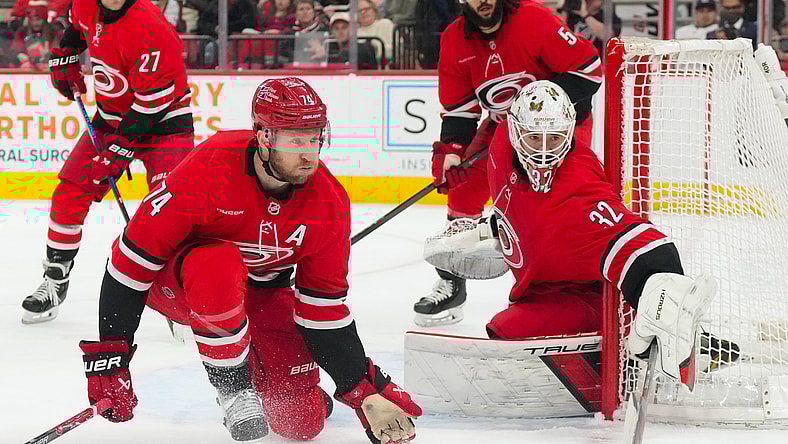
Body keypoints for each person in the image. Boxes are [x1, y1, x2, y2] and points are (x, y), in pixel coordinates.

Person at [78, 77, 423, 443]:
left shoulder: (330, 204)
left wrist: (363, 392)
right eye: (295, 139)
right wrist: (112, 359)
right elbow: (127, 267)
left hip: (259, 292)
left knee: (301, 423)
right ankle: (234, 390)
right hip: (178, 285)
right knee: (217, 264)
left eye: (315, 136)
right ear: (264, 137)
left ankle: (272, 380)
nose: (309, 153)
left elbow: (323, 312)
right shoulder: (209, 167)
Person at [425, 80, 718, 389]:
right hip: (544, 290)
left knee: (508, 331)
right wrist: (457, 161)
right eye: (533, 138)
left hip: (590, 298)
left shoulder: (578, 188)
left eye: (553, 139)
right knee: (505, 329)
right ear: (513, 130)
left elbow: (642, 243)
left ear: (568, 133)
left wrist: (662, 286)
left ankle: (634, 351)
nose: (542, 150)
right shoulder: (500, 143)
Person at [414, 0, 603, 327]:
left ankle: (561, 290)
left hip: (556, 129)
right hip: (504, 126)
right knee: (464, 187)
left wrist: (537, 109)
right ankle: (452, 282)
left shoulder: (533, 19)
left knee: (552, 202)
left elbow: (588, 72)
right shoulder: (454, 39)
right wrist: (453, 151)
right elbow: (460, 108)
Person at [20, 0, 194, 324]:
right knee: (70, 192)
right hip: (111, 119)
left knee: (169, 210)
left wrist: (119, 151)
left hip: (165, 123)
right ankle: (55, 280)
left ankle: (182, 287)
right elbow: (74, 28)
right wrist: (67, 56)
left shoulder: (150, 27)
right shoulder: (86, 4)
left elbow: (152, 106)